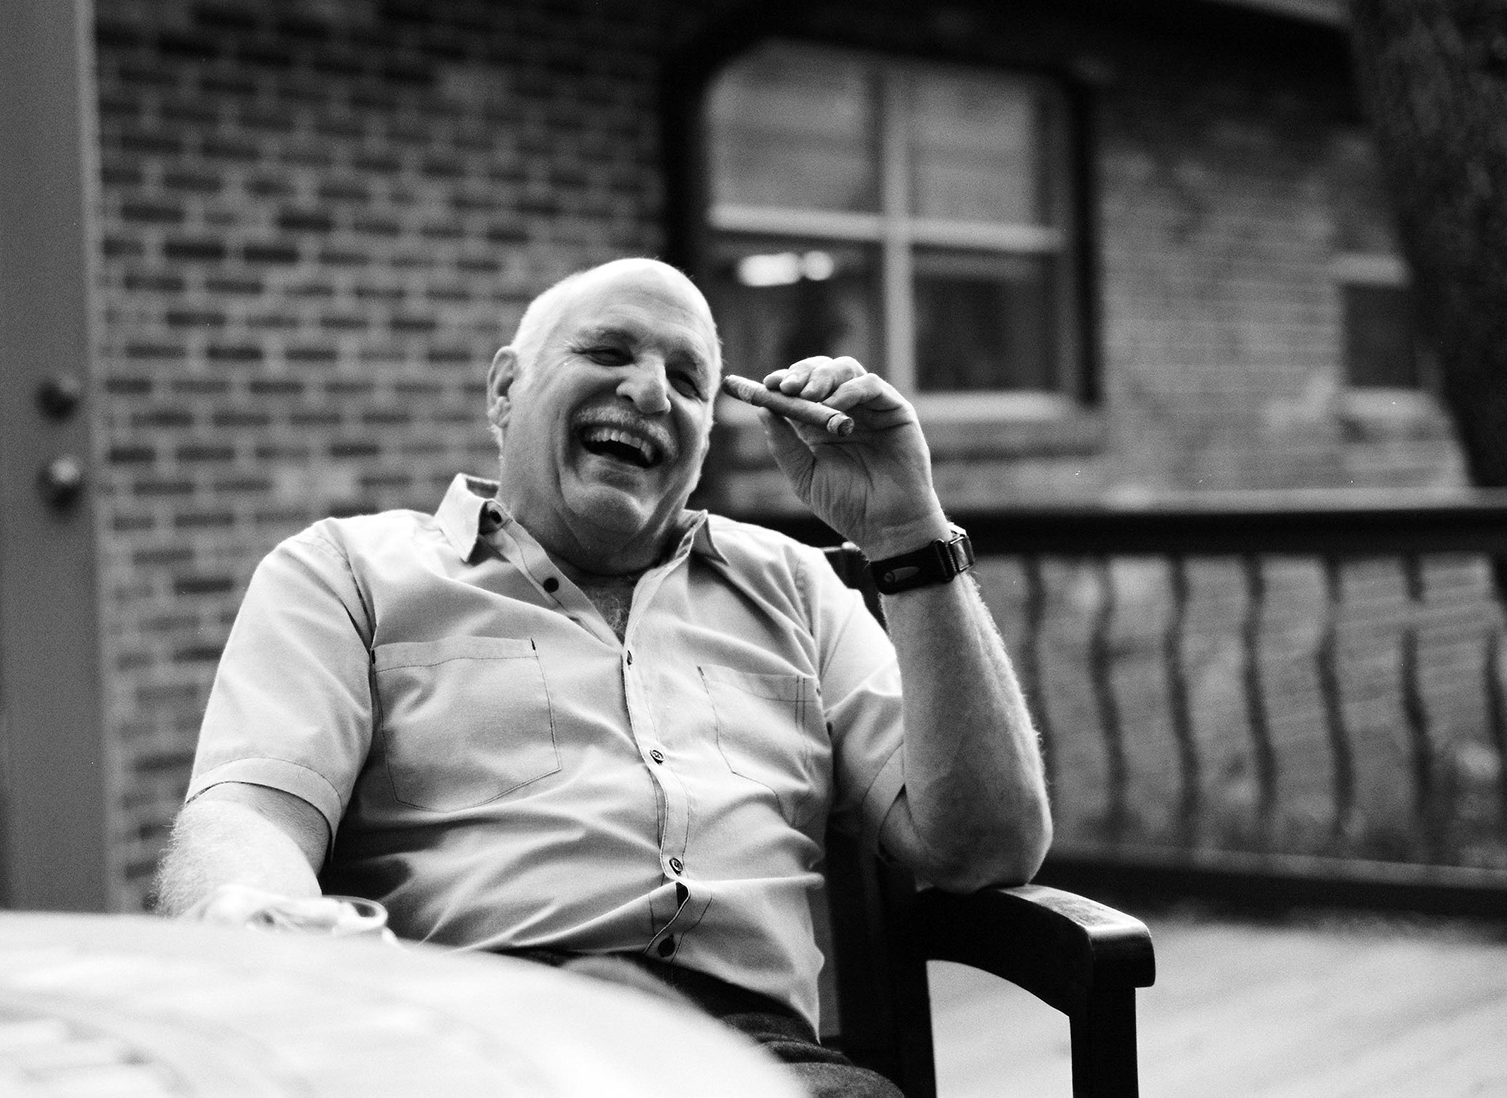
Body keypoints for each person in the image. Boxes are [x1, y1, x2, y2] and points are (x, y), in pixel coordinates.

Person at [156, 257, 1051, 1097]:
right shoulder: (347, 572)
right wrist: (269, 933)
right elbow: (249, 815)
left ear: (704, 440)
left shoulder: (794, 587)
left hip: (754, 1061)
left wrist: (907, 533)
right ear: (505, 389)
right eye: (609, 351)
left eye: (688, 380)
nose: (650, 391)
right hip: (480, 1048)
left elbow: (985, 844)